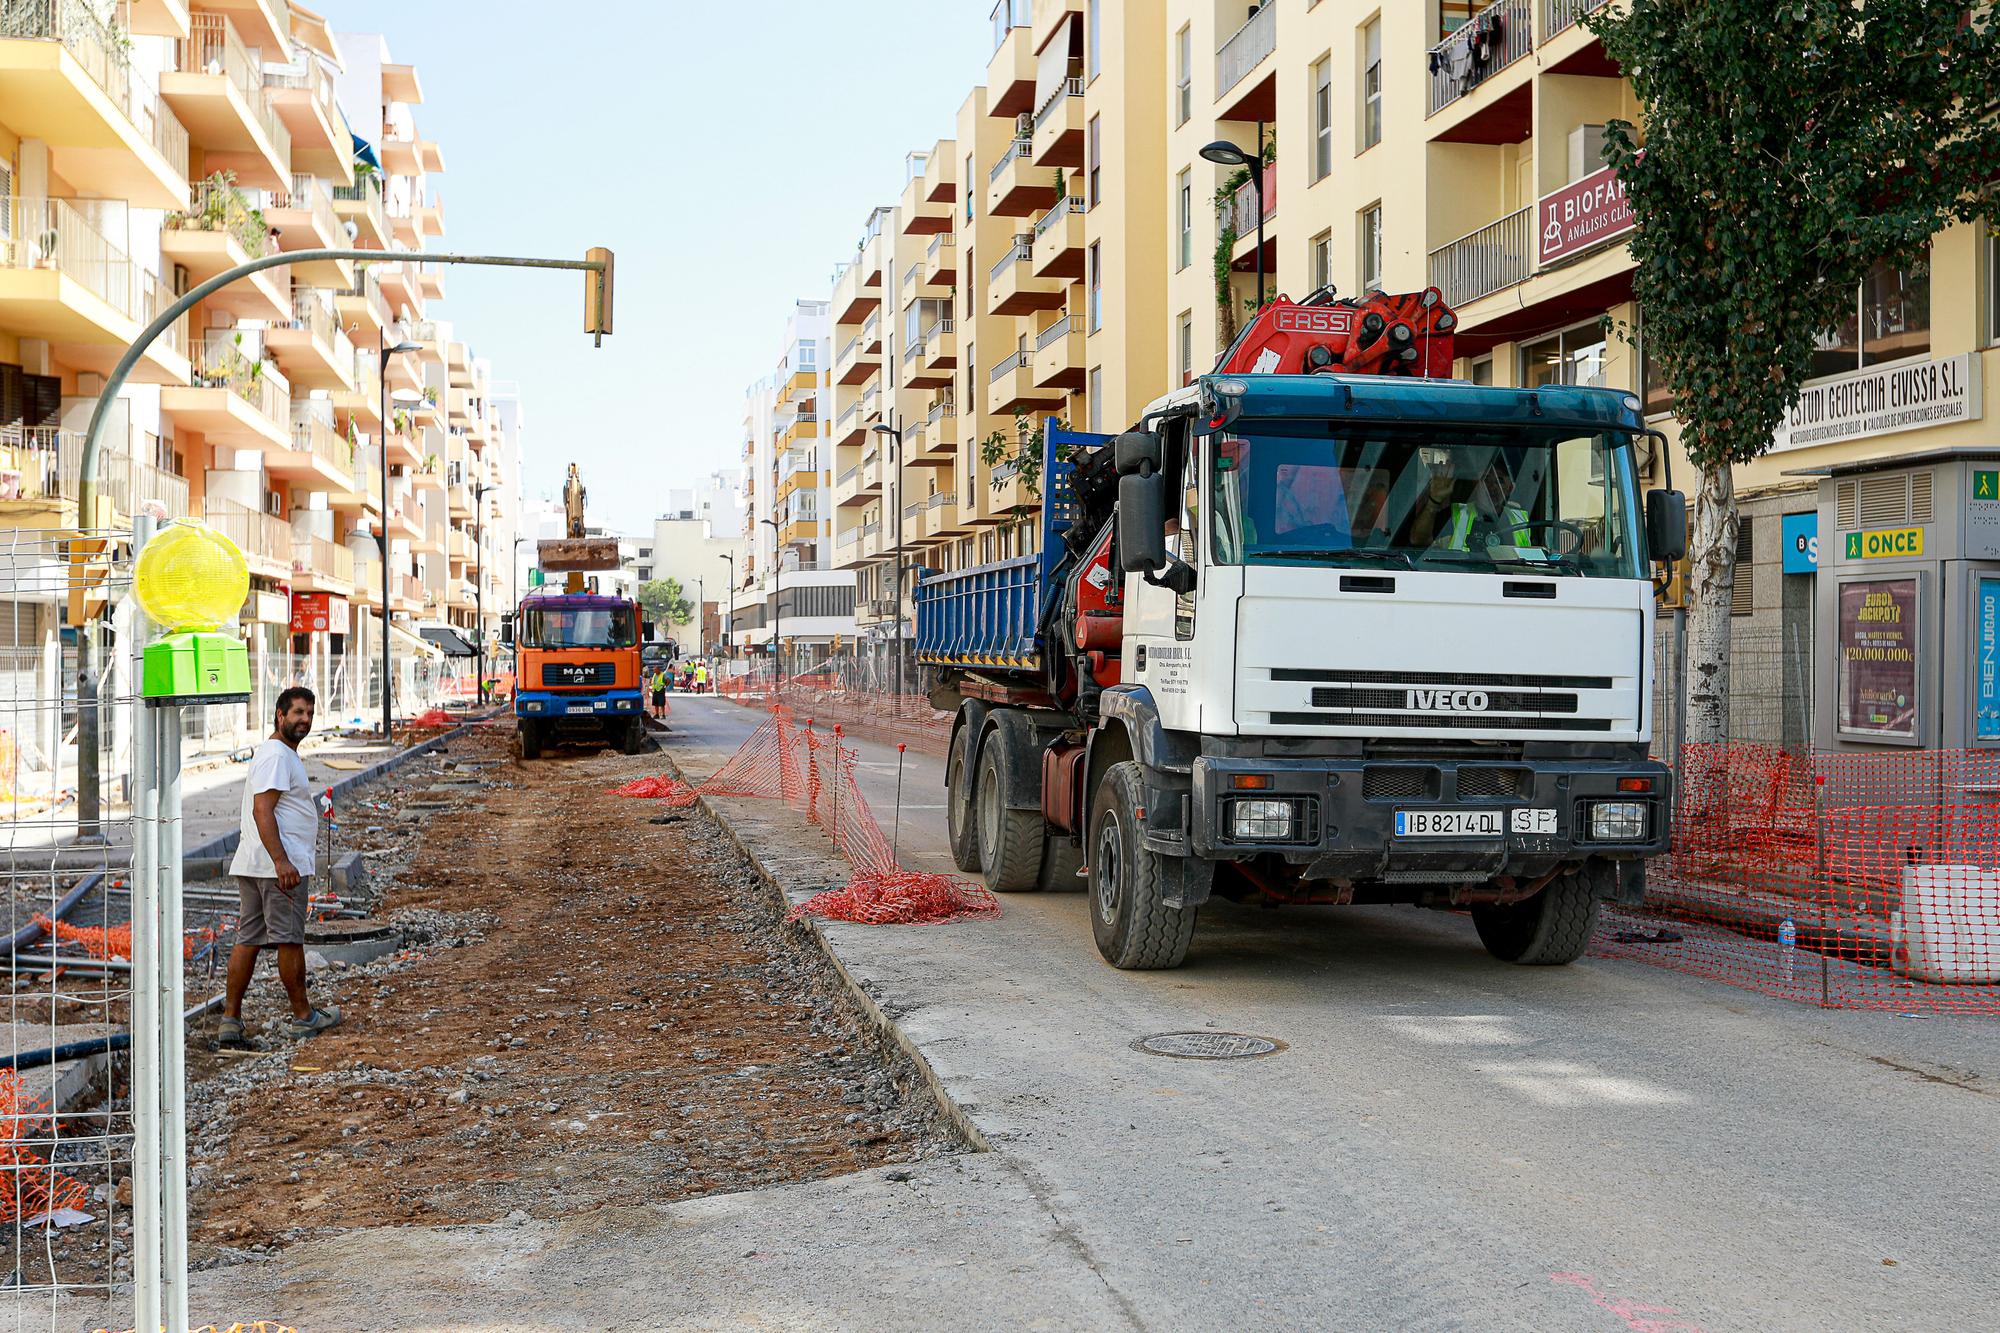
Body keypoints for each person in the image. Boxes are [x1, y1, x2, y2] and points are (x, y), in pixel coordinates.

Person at [218, 687, 341, 1047]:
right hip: (276, 868)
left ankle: (231, 1019)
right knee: (289, 939)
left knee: (249, 938)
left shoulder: (279, 753)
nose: (304, 719)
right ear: (279, 715)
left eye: (309, 713)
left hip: (258, 863)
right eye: (297, 712)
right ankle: (304, 1017)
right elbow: (262, 810)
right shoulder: (275, 755)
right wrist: (282, 861)